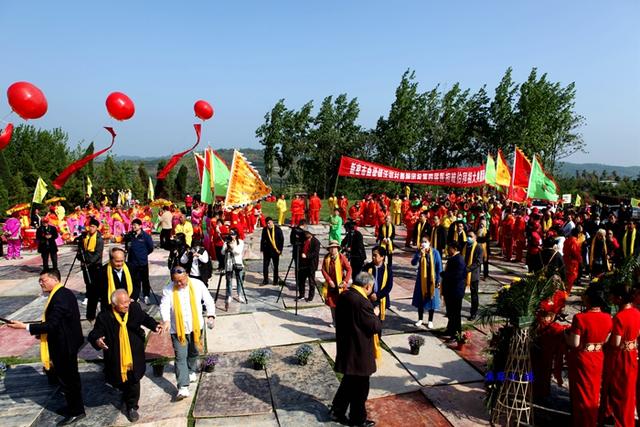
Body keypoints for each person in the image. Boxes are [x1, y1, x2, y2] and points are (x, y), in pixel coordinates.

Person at [8, 269, 85, 425]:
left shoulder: (60, 297)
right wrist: (41, 332)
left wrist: (25, 326)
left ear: (54, 279)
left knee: (68, 380)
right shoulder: (60, 294)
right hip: (64, 341)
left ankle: (77, 411)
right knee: (67, 378)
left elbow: (52, 324)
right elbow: (57, 323)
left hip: (65, 345)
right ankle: (74, 407)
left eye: (43, 280)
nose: (40, 283)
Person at [88, 289, 162, 422]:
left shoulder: (134, 308)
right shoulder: (105, 317)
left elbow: (144, 318)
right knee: (119, 380)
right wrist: (98, 340)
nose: (127, 305)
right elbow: (95, 333)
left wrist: (154, 325)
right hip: (116, 355)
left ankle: (132, 406)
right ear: (114, 305)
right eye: (123, 303)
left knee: (134, 380)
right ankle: (124, 390)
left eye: (128, 301)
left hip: (134, 353)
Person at [330, 272, 381, 427]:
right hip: (358, 351)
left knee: (348, 382)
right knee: (360, 388)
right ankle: (357, 420)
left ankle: (337, 411)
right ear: (367, 286)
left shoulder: (346, 295)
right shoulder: (362, 302)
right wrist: (375, 314)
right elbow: (374, 327)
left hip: (347, 347)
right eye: (371, 287)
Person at [160, 266, 216, 400]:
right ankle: (183, 387)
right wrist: (166, 320)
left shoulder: (197, 284)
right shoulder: (168, 289)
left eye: (181, 281)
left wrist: (211, 315)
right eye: (176, 281)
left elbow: (208, 300)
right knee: (180, 357)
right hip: (178, 330)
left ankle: (191, 370)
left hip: (195, 327)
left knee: (194, 351)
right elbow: (164, 305)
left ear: (187, 275)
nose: (179, 284)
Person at [565, 285, 612, 427]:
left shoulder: (580, 318)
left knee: (581, 393)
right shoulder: (607, 317)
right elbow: (607, 339)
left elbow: (574, 343)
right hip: (598, 356)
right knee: (593, 391)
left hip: (583, 358)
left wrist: (564, 335)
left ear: (589, 299)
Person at [600, 282, 640, 426]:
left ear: (620, 298)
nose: (610, 298)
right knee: (628, 393)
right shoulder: (637, 313)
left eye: (613, 295)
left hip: (620, 359)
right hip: (632, 356)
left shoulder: (620, 317)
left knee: (618, 393)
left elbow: (616, 343)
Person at [411, 235, 442, 329]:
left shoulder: (435, 253)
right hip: (421, 279)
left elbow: (439, 267)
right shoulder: (420, 252)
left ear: (429, 243)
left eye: (425, 241)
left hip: (432, 279)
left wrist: (438, 280)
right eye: (422, 242)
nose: (423, 243)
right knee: (421, 299)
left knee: (431, 299)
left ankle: (430, 320)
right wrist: (418, 255)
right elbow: (413, 263)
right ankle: (420, 319)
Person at [321, 240, 352, 326]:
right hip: (331, 285)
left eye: (334, 248)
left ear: (338, 249)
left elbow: (349, 269)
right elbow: (323, 270)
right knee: (332, 304)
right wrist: (329, 280)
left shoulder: (342, 257)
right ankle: (334, 321)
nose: (333, 250)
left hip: (340, 285)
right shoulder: (326, 258)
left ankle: (342, 321)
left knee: (342, 304)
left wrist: (345, 281)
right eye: (331, 248)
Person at [125, 218, 154, 304]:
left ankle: (146, 295)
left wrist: (144, 255)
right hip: (132, 262)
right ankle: (135, 296)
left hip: (142, 262)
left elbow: (150, 248)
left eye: (135, 225)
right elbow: (127, 245)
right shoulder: (131, 235)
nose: (133, 227)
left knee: (145, 280)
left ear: (140, 226)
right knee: (134, 280)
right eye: (132, 225)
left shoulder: (145, 236)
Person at [80, 218, 104, 321]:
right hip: (85, 264)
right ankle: (88, 295)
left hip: (95, 264)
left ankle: (96, 297)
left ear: (96, 228)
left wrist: (89, 262)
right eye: (90, 226)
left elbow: (98, 254)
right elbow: (81, 249)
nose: (91, 228)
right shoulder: (86, 237)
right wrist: (81, 258)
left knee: (95, 283)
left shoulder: (99, 239)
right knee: (87, 282)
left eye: (93, 227)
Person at [441, 244, 466, 340]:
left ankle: (456, 334)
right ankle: (450, 330)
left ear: (455, 248)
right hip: (450, 291)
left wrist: (444, 274)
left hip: (455, 291)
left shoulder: (459, 260)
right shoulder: (453, 258)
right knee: (450, 313)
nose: (447, 250)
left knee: (455, 314)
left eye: (449, 248)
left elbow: (457, 276)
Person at [362, 246, 393, 324]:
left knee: (378, 323)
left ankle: (377, 336)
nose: (373, 257)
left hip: (381, 299)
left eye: (375, 255)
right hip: (369, 298)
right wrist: (370, 294)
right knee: (368, 322)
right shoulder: (367, 267)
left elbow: (389, 286)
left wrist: (378, 295)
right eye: (372, 255)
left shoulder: (387, 269)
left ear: (382, 257)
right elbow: (362, 283)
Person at [220, 230, 246, 310]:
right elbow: (222, 252)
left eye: (233, 235)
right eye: (231, 235)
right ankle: (229, 295)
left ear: (236, 235)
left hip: (238, 263)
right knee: (229, 280)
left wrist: (232, 247)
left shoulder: (240, 242)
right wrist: (226, 246)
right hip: (229, 263)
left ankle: (240, 295)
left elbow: (238, 252)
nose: (232, 236)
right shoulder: (226, 242)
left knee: (239, 280)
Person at [462, 231, 483, 320]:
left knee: (474, 295)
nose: (468, 238)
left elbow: (478, 262)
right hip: (463, 273)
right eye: (468, 236)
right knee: (459, 293)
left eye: (470, 236)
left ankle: (473, 313)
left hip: (473, 274)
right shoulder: (465, 246)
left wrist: (468, 269)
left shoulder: (478, 248)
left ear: (475, 238)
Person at [297, 229, 320, 301]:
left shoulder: (316, 242)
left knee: (311, 281)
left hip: (311, 264)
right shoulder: (303, 239)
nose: (305, 235)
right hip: (303, 264)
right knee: (301, 280)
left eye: (307, 233)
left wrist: (306, 256)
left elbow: (315, 253)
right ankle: (301, 295)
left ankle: (310, 297)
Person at [260, 217, 284, 285]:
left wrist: (280, 250)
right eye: (267, 223)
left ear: (272, 222)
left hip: (275, 251)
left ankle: (275, 281)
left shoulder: (278, 229)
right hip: (267, 251)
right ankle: (265, 280)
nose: (268, 225)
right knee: (265, 266)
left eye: (269, 223)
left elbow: (281, 240)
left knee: (275, 266)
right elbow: (262, 239)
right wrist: (262, 248)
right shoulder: (265, 229)